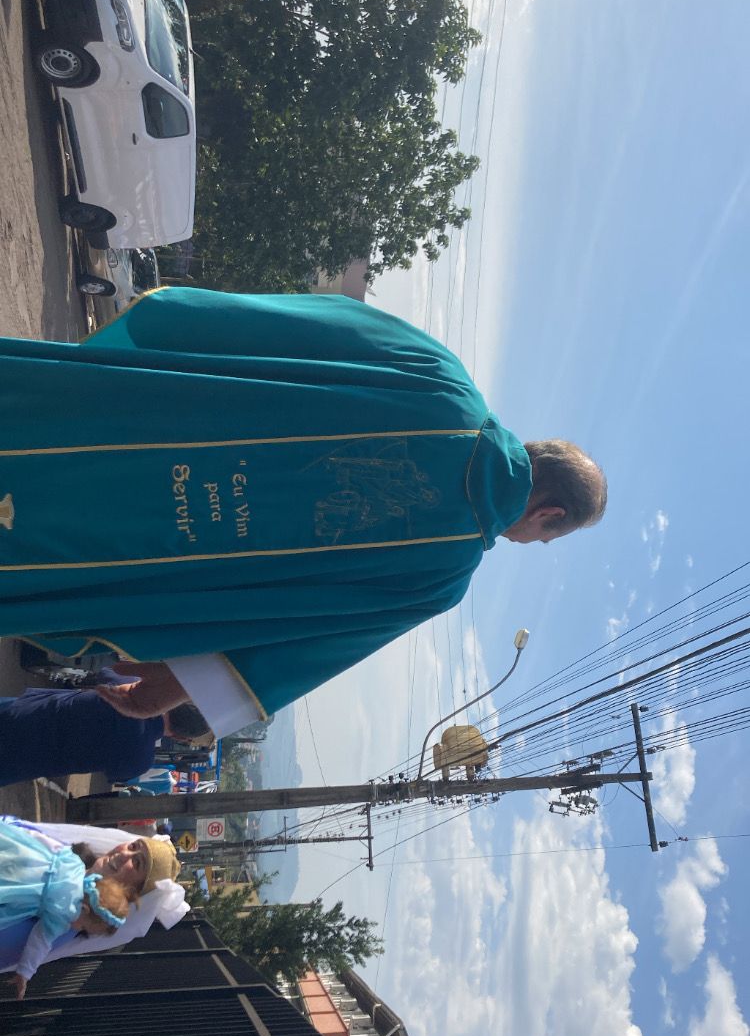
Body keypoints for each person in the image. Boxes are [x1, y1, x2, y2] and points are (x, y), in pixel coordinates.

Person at [0, 289, 607, 737]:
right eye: (544, 539)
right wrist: (175, 687)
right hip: (126, 557)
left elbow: (279, 324)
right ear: (549, 513)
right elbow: (298, 642)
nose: (529, 543)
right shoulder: (441, 576)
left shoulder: (437, 373)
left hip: (133, 420)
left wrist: (162, 326)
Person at [0, 823, 186, 981]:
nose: (124, 854)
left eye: (137, 863)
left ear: (133, 893)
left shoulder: (66, 920)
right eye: (132, 846)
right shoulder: (70, 857)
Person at [0, 818, 137, 997]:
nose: (78, 929)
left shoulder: (75, 864)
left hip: (23, 854)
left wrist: (18, 833)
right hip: (16, 890)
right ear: (84, 909)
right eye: (83, 927)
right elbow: (39, 941)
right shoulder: (65, 914)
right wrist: (25, 972)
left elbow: (47, 842)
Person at [0, 686, 213, 787]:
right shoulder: (139, 760)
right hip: (20, 760)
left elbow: (104, 674)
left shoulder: (131, 688)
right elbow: (116, 775)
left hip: (22, 712)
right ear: (181, 738)